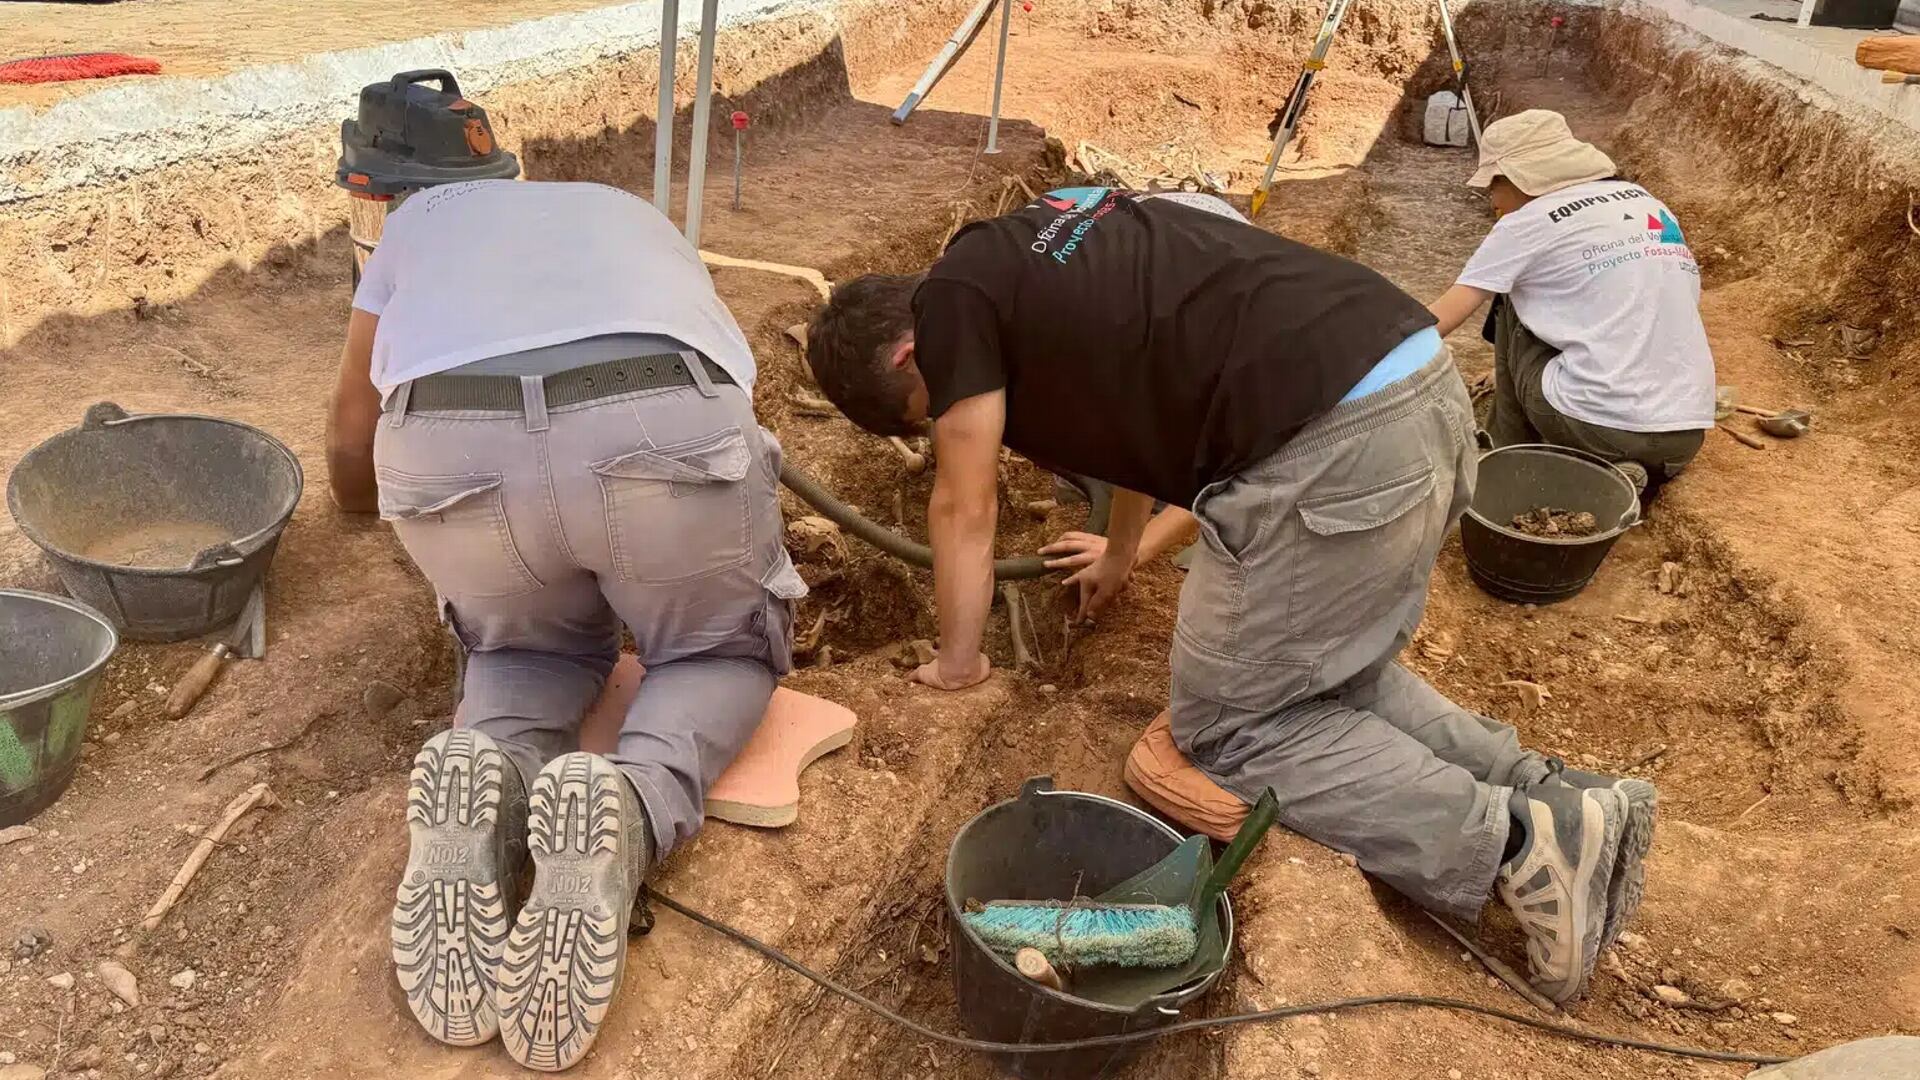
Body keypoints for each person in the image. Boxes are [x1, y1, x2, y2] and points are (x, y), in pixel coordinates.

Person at [803, 186, 1655, 1002]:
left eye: (927, 412)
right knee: (1328, 677)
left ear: (910, 355)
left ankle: (1514, 847)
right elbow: (1124, 426)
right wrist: (1122, 553)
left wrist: (959, 665)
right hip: (1416, 390)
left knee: (1234, 728)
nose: (948, 424)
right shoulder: (1033, 252)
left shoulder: (952, 308)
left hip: (1327, 447)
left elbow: (964, 505)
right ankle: (1553, 794)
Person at [327, 179, 803, 1069]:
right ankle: (629, 799)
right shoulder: (625, 207)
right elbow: (731, 381)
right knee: (713, 648)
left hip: (445, 439)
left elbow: (351, 439)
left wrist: (386, 504)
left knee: (524, 644)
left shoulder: (410, 229)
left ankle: (496, 768)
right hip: (656, 404)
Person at [1428, 110, 1715, 496]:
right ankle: (1614, 469)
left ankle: (1507, 456)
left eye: (1492, 186)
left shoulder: (1526, 222)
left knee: (1508, 298)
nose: (1492, 199)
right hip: (1683, 436)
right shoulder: (1648, 203)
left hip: (1592, 426)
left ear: (1516, 178)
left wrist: (1370, 362)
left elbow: (1444, 317)